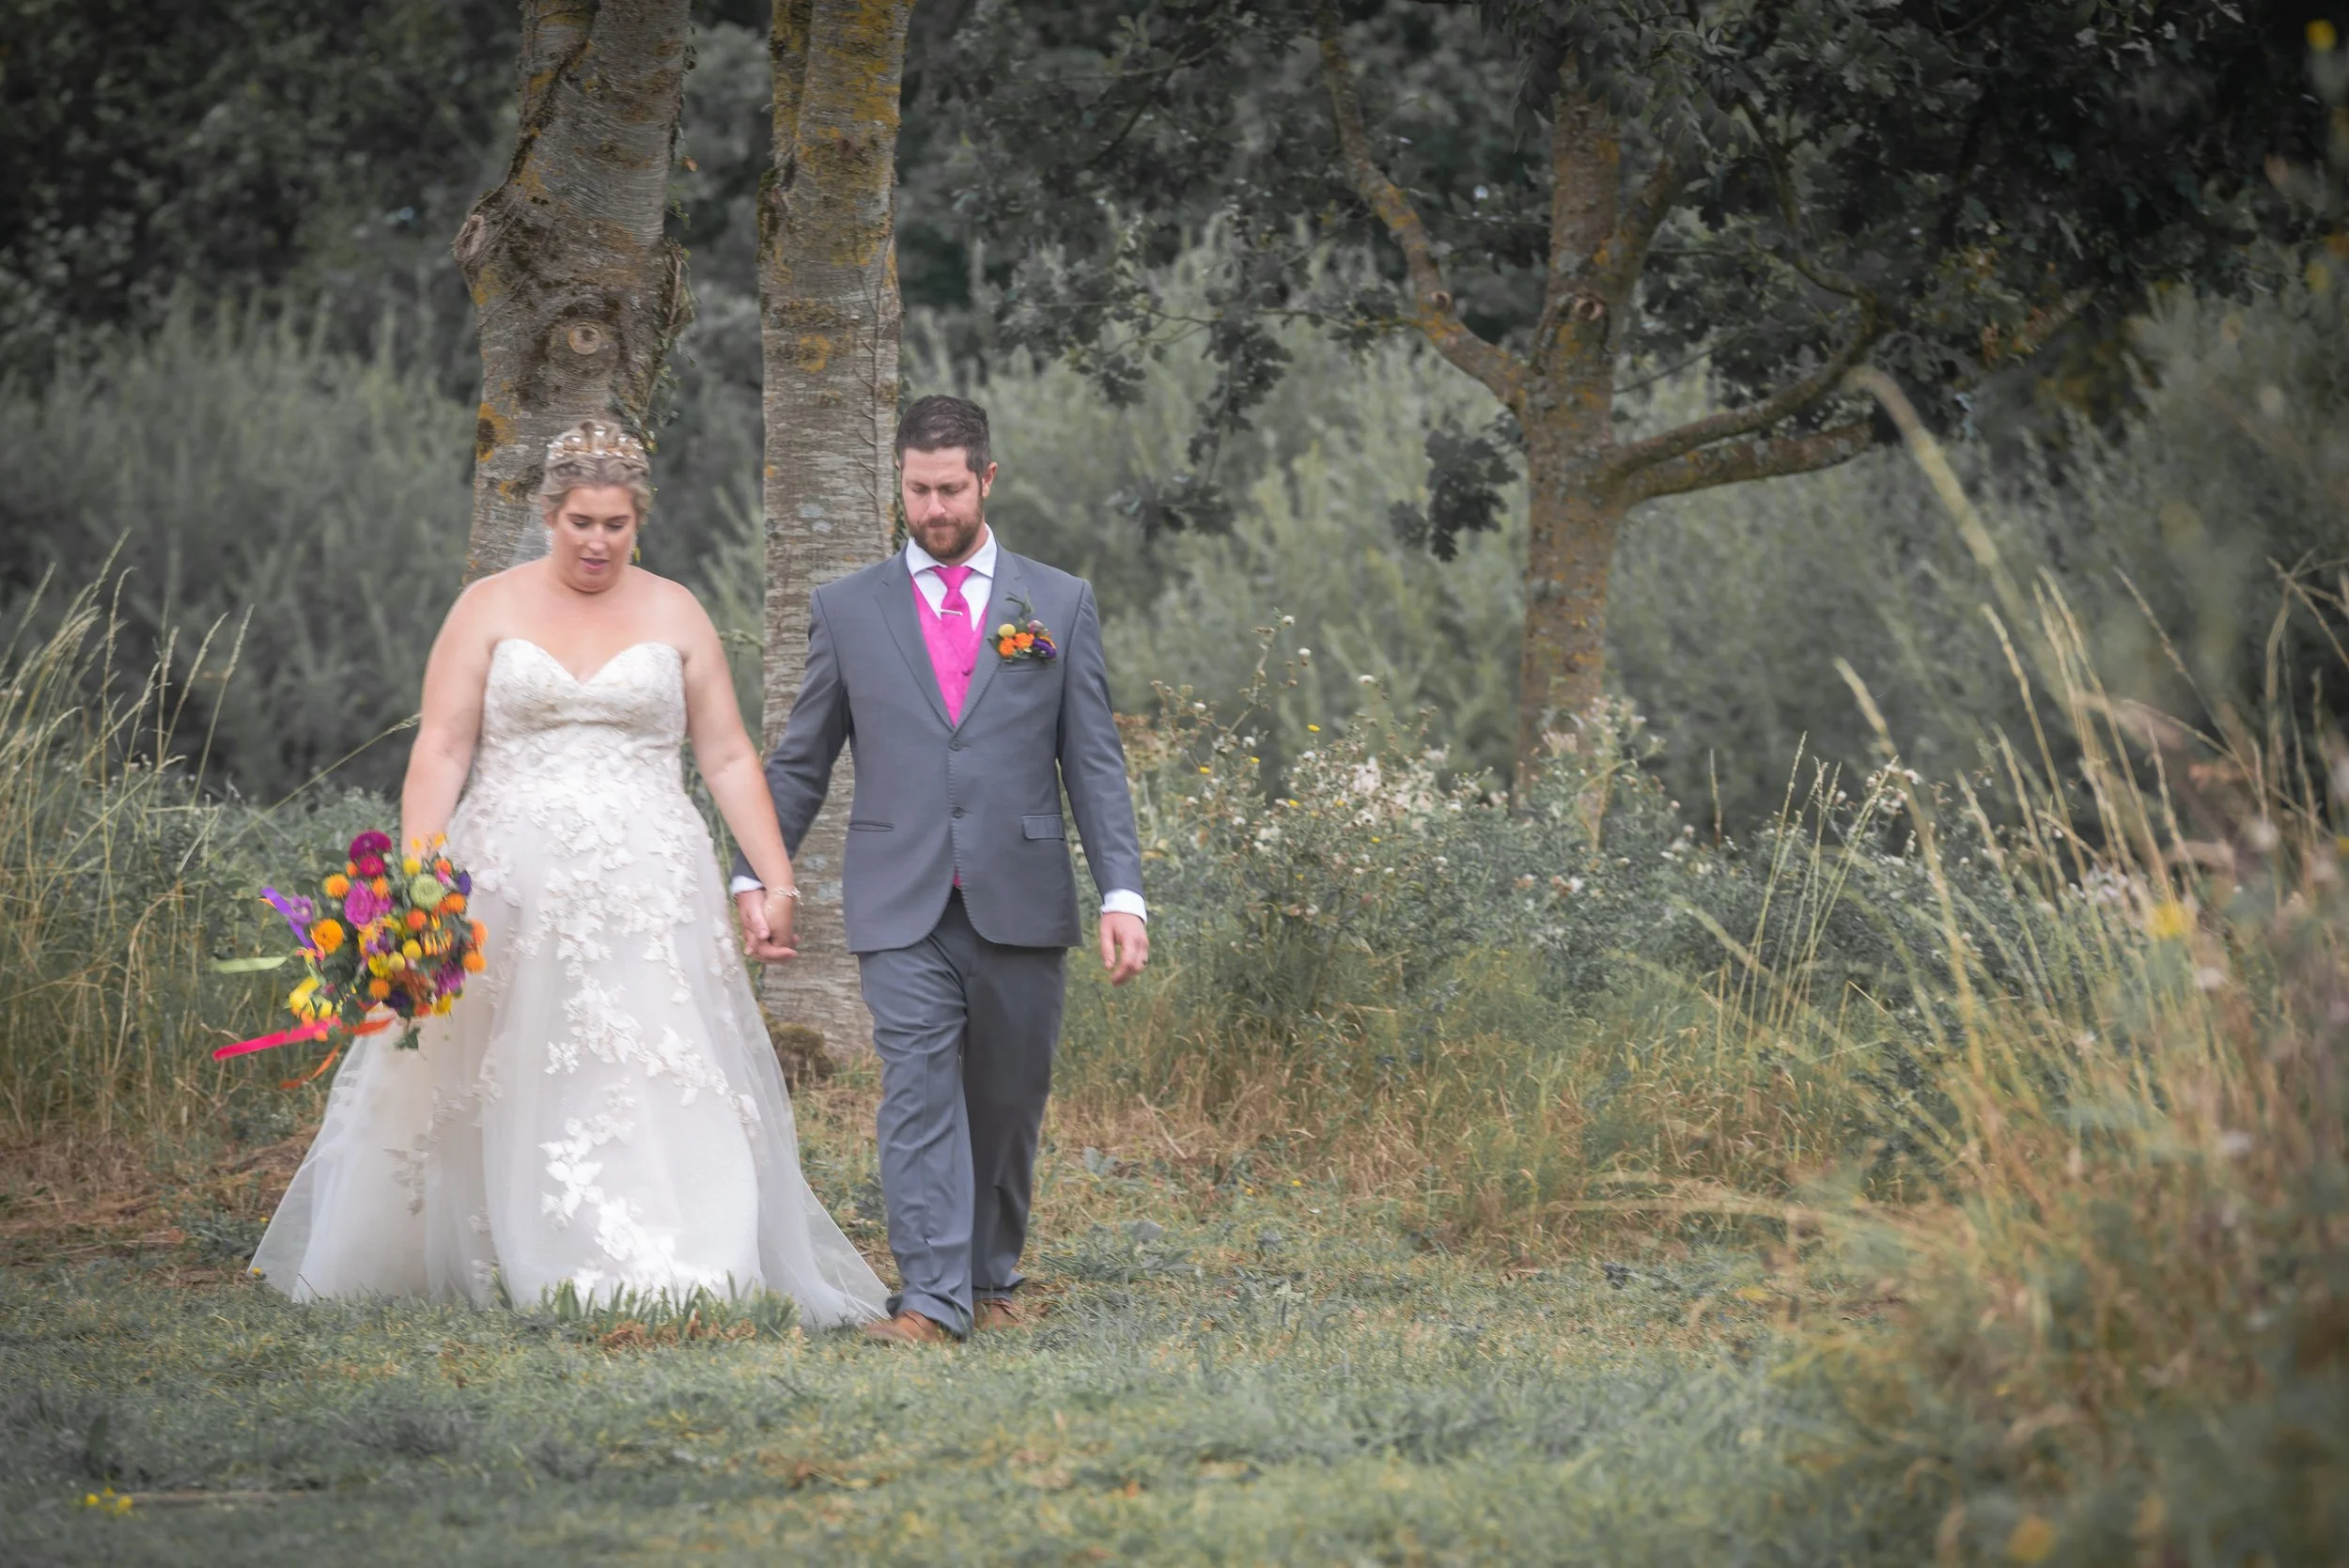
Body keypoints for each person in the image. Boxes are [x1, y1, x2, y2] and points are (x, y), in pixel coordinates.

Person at [251, 420, 885, 1326]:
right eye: (582, 521)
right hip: (508, 878)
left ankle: (682, 1250)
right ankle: (497, 1243)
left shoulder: (676, 611)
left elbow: (731, 757)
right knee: (503, 1062)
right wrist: (418, 889)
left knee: (653, 1055)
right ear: (550, 514)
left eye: (616, 524)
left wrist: (775, 880)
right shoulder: (487, 607)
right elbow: (442, 744)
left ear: (638, 522)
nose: (597, 541)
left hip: (649, 879)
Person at [730, 394, 1148, 1345]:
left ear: (986, 480)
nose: (933, 510)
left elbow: (1093, 763)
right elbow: (800, 760)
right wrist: (754, 873)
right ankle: (927, 1298)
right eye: (917, 491)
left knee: (1007, 1100)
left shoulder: (1058, 605)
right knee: (917, 1088)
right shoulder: (846, 609)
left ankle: (990, 1277)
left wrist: (1122, 890)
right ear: (899, 485)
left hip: (1023, 896)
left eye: (951, 489)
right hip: (900, 895)